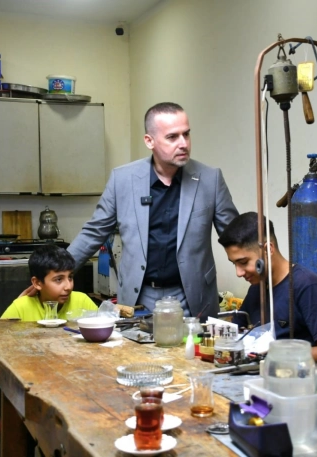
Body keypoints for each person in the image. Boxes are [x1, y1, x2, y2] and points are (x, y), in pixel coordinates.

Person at [66, 102, 238, 318]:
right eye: (172, 137)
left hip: (193, 297)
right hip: (139, 296)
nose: (183, 143)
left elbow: (235, 236)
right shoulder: (123, 179)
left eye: (186, 134)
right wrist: (55, 273)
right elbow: (94, 232)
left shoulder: (210, 179)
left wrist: (267, 270)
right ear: (149, 141)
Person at [217, 212, 317, 362]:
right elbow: (235, 332)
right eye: (234, 263)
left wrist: (275, 354)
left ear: (268, 250)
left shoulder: (308, 287)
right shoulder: (257, 288)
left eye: (243, 262)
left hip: (296, 375)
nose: (238, 273)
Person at [2, 244, 98, 320]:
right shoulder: (21, 308)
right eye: (58, 279)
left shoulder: (82, 302)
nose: (68, 287)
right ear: (37, 283)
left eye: (70, 277)